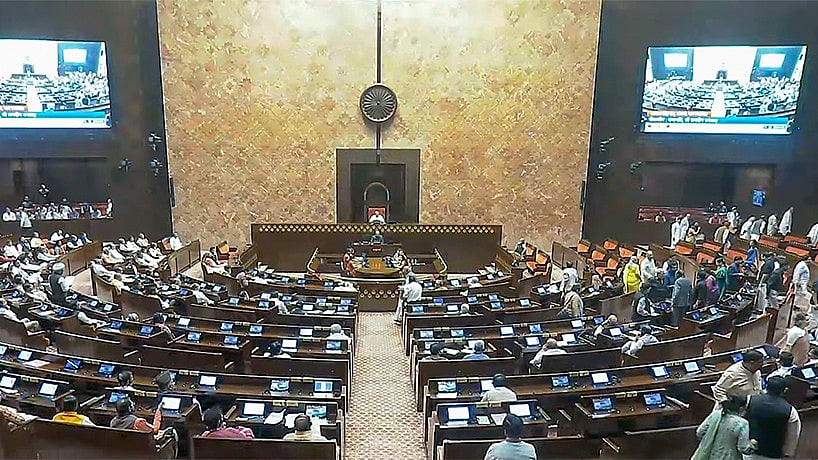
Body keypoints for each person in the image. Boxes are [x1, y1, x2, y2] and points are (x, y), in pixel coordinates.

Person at [745, 376, 801, 460]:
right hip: (773, 453)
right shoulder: (790, 410)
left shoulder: (750, 400)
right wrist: (788, 453)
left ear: (767, 387)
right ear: (785, 390)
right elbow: (793, 435)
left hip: (749, 451)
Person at [691, 395, 756, 460]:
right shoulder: (742, 423)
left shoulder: (715, 414)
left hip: (707, 456)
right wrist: (752, 444)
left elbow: (699, 433)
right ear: (741, 408)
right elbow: (743, 448)